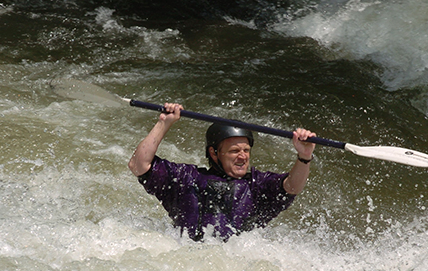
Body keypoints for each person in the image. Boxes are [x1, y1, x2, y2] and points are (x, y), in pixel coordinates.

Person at [128, 103, 316, 241]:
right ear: (214, 153)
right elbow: (139, 165)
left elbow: (292, 186)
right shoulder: (187, 180)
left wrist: (304, 156)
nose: (242, 156)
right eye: (235, 151)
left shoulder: (258, 186)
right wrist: (164, 122)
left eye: (246, 150)